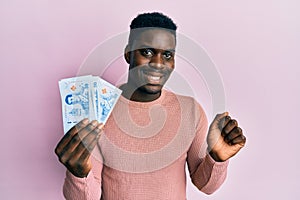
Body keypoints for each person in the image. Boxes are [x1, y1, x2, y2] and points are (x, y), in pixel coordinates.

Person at [55, 12, 246, 200]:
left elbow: (206, 186)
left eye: (167, 55)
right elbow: (88, 197)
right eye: (147, 52)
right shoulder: (98, 112)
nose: (158, 64)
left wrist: (217, 158)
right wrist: (78, 174)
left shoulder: (190, 111)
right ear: (128, 54)